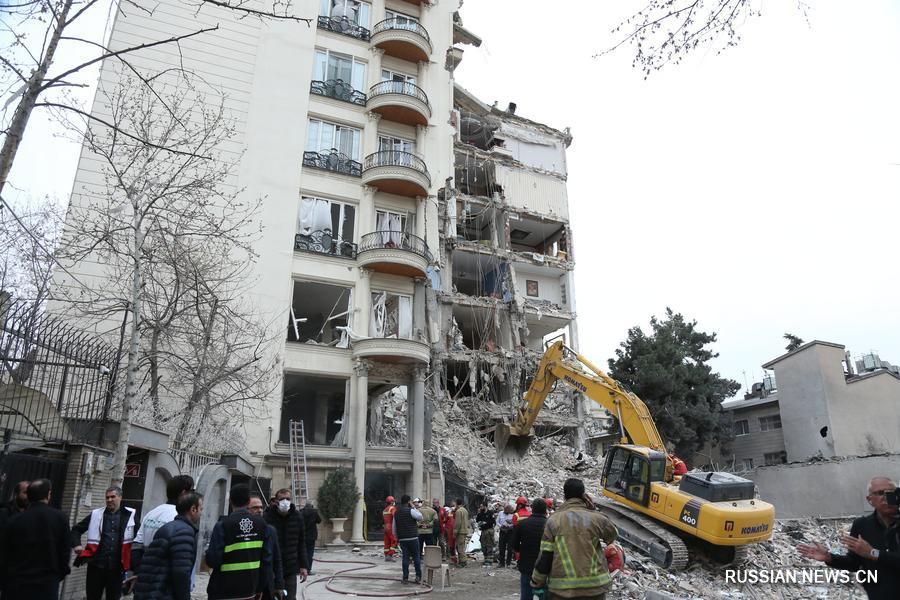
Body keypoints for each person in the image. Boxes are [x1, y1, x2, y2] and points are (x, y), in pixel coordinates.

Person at [798, 476, 900, 600]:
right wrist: (829, 557)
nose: (885, 497)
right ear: (869, 500)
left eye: (891, 492)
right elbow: (854, 563)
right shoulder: (862, 525)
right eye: (880, 493)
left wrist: (873, 553)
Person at [531, 478, 618, 600]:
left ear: (565, 495)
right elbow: (613, 534)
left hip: (562, 591)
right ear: (583, 495)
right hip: (594, 589)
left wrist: (537, 581)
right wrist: (593, 510)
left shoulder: (553, 521)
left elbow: (545, 556)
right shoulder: (596, 519)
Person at [0, 479, 70, 600]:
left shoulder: (14, 520)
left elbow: (4, 554)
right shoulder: (60, 518)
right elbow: (65, 552)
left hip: (16, 585)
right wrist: (57, 576)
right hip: (47, 586)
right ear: (48, 494)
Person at [206, 484, 275, 600]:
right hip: (249, 590)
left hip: (223, 589)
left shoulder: (222, 525)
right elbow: (266, 561)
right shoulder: (262, 525)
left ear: (230, 501)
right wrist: (259, 588)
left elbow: (213, 560)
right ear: (248, 502)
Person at [132, 492, 203, 600]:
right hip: (163, 593)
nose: (201, 513)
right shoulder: (184, 532)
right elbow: (181, 573)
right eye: (201, 509)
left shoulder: (167, 528)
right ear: (193, 509)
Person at [72, 486, 137, 600]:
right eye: (107, 497)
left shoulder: (130, 515)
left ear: (120, 497)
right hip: (96, 565)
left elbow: (138, 538)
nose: (109, 500)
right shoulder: (96, 514)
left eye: (113, 497)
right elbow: (76, 530)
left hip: (117, 568)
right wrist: (77, 544)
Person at [132, 475, 194, 571]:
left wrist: (138, 571)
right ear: (184, 493)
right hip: (164, 572)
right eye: (192, 491)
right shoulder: (179, 517)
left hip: (145, 570)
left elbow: (136, 545)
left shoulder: (152, 513)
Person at [263, 488, 309, 600]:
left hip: (290, 566)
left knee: (290, 597)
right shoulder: (267, 516)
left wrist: (304, 565)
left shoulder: (297, 516)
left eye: (288, 499)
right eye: (282, 499)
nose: (285, 501)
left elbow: (301, 542)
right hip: (272, 567)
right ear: (276, 501)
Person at [511, 498, 549, 600]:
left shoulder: (522, 524)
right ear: (545, 510)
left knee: (526, 594)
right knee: (545, 594)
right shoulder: (550, 525)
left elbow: (514, 544)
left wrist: (521, 551)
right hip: (545, 566)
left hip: (526, 565)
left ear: (532, 509)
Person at [250, 494, 285, 600]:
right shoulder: (240, 532)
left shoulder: (270, 530)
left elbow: (277, 559)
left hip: (266, 584)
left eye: (261, 507)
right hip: (247, 584)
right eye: (255, 508)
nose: (259, 510)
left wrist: (279, 584)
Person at [393, 495, 424, 584]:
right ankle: (418, 576)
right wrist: (414, 507)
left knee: (405, 558)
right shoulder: (411, 510)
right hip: (413, 537)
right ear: (408, 502)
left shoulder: (396, 513)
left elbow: (394, 527)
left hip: (403, 539)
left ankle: (405, 578)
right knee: (416, 557)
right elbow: (420, 517)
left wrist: (397, 537)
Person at [299, 499, 321, 575]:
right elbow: (319, 521)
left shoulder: (301, 512)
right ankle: (308, 570)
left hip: (302, 535)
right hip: (311, 536)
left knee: (301, 552)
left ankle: (300, 569)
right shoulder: (314, 512)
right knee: (309, 553)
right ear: (312, 505)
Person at [452, 498, 470, 568]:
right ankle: (461, 560)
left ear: (456, 503)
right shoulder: (465, 510)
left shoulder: (459, 511)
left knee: (460, 547)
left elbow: (457, 523)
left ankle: (463, 562)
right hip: (464, 530)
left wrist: (455, 532)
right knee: (461, 546)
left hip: (460, 531)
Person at [383, 495, 398, 561]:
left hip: (385, 527)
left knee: (387, 541)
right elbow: (395, 516)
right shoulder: (392, 508)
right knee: (394, 540)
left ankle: (386, 555)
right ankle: (390, 555)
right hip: (391, 526)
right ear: (392, 502)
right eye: (393, 501)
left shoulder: (385, 509)